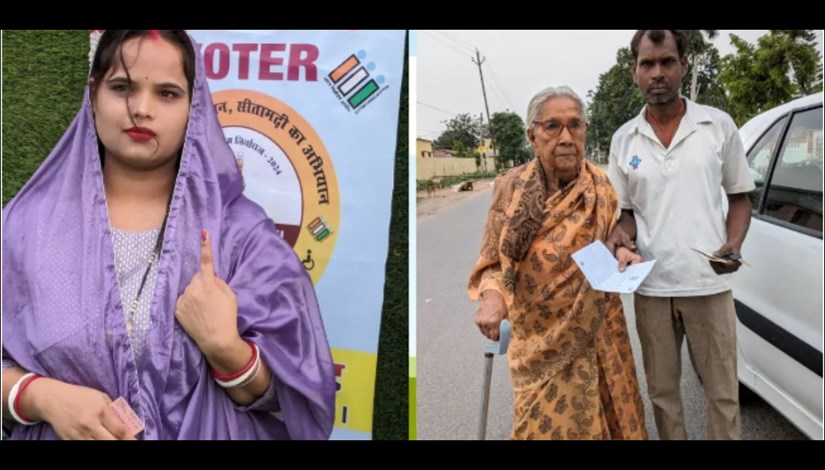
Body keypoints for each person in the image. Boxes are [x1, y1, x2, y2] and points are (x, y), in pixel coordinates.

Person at [1, 30, 336, 440]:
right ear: (93, 95)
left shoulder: (241, 236)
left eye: (168, 93)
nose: (141, 109)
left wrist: (227, 349)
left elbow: (296, 398)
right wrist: (40, 396)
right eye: (122, 87)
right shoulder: (24, 227)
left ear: (194, 108)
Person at [468, 86, 648, 440]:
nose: (566, 137)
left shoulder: (601, 187)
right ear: (532, 135)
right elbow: (491, 261)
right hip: (537, 343)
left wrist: (622, 250)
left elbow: (613, 237)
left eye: (575, 125)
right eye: (553, 126)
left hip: (599, 335)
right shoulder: (510, 188)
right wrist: (492, 297)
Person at [606, 30, 755, 440]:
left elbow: (741, 198)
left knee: (723, 394)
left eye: (667, 62)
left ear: (683, 65)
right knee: (663, 393)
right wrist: (619, 238)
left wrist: (733, 243)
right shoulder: (623, 140)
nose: (658, 73)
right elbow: (627, 215)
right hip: (651, 288)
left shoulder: (717, 126)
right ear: (634, 71)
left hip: (708, 283)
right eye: (647, 64)